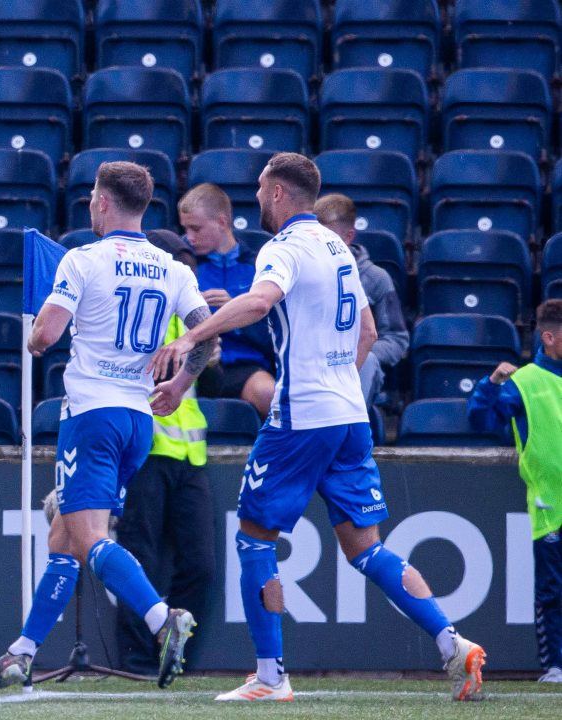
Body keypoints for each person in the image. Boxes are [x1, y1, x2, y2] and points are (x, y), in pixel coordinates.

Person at [154, 153, 487, 702]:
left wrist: (191, 338)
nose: (257, 199)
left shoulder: (283, 248)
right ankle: (453, 644)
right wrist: (337, 385)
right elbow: (369, 330)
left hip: (302, 416)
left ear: (280, 194)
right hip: (348, 414)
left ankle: (269, 676)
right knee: (367, 549)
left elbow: (261, 302)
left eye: (261, 190)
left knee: (254, 539)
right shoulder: (339, 250)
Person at [0, 162, 215, 691]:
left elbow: (44, 338)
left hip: (91, 416)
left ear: (102, 202)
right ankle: (23, 652)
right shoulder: (173, 268)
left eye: (91, 200)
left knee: (88, 538)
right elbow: (206, 339)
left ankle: (159, 617)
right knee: (65, 538)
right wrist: (177, 384)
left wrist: (36, 326)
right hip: (138, 421)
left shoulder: (83, 260)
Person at [114, 229, 215, 675]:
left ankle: (174, 651)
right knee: (142, 558)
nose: (187, 268)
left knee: (200, 565)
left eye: (189, 261)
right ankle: (139, 657)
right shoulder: (146, 306)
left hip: (190, 457)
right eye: (180, 260)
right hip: (146, 454)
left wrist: (208, 326)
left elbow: (209, 356)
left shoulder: (191, 312)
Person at [467, 299, 562, 684]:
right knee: (553, 591)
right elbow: (478, 422)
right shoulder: (523, 383)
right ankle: (555, 665)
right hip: (550, 503)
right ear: (550, 337)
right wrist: (489, 384)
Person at [177, 183, 276, 418]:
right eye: (185, 229)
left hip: (243, 366)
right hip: (191, 365)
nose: (189, 237)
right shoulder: (181, 263)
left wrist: (240, 313)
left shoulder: (258, 267)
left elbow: (275, 332)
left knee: (269, 394)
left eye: (196, 229)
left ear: (222, 222)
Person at [314, 193, 408, 406]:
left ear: (348, 236)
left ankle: (347, 426)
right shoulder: (305, 272)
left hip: (357, 364)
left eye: (328, 237)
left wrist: (354, 353)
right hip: (314, 360)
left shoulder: (376, 278)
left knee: (368, 362)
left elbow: (397, 339)